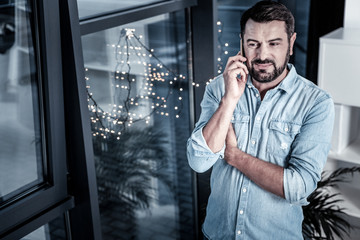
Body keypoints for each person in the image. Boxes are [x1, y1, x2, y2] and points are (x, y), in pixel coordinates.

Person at [187, 1, 334, 239]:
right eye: (253, 44)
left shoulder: (316, 104)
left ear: (291, 43)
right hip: (215, 234)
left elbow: (298, 187)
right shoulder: (219, 88)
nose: (262, 55)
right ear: (241, 44)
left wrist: (235, 156)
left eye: (274, 44)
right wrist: (229, 100)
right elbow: (198, 161)